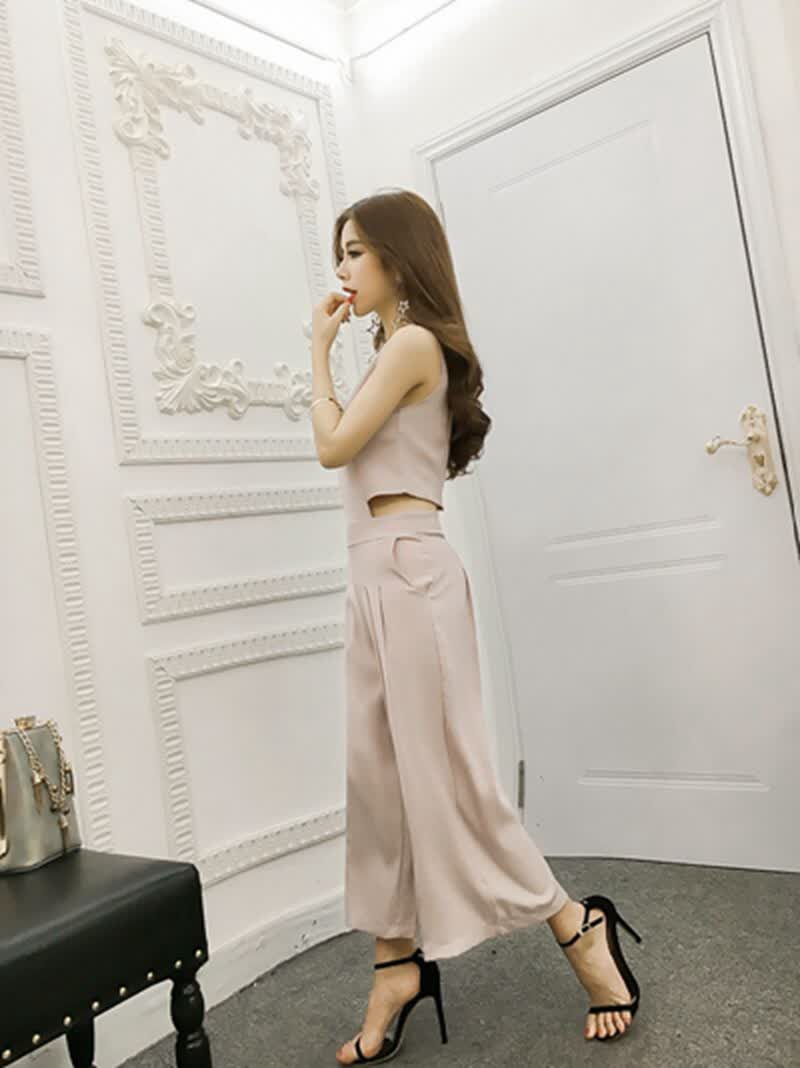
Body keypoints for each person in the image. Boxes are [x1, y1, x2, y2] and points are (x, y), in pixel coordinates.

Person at [308, 190, 643, 1063]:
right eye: (340, 252)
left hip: (409, 571)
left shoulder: (413, 344)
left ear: (398, 258)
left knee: (452, 776)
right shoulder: (393, 350)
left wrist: (316, 354)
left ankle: (578, 926)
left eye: (355, 251)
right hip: (374, 574)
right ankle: (395, 965)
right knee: (379, 782)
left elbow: (333, 446)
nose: (341, 269)